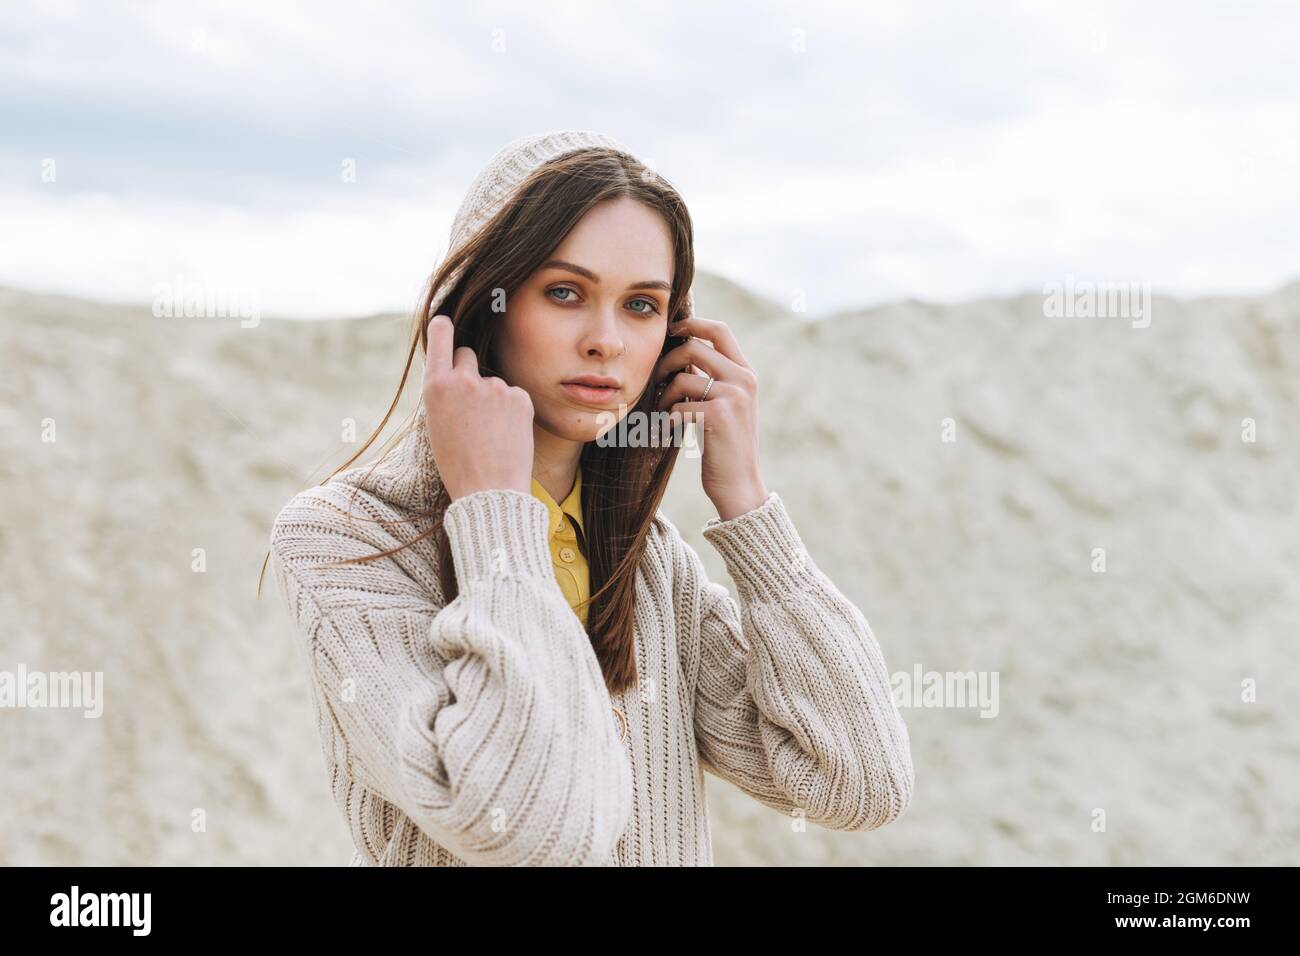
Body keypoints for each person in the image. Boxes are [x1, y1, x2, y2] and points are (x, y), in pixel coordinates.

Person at [263, 129, 914, 866]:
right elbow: (528, 826)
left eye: (641, 305)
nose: (606, 340)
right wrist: (497, 521)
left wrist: (748, 508)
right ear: (487, 305)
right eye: (565, 293)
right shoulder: (346, 540)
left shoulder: (652, 570)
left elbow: (857, 783)